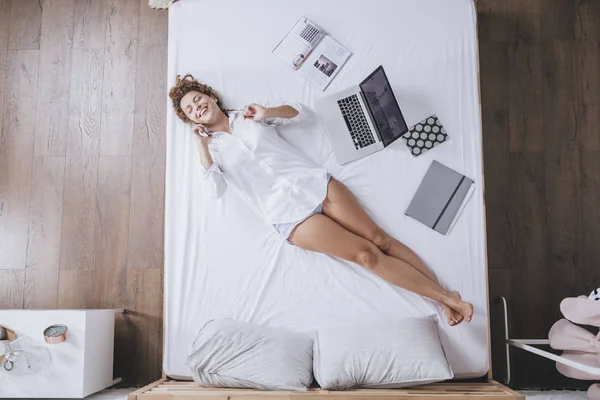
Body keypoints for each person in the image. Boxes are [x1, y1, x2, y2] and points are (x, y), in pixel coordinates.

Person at [169, 74, 473, 326]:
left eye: (198, 99)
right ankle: (446, 299)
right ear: (188, 119)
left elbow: (302, 113)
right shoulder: (211, 150)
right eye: (190, 109)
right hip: (290, 217)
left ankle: (445, 299)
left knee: (381, 239)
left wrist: (267, 111)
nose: (197, 107)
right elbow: (214, 191)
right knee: (366, 255)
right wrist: (201, 145)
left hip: (317, 184)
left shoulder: (249, 116)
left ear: (211, 97)